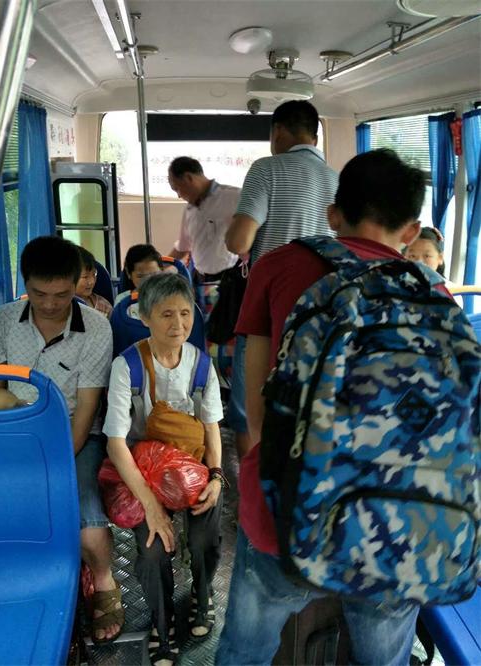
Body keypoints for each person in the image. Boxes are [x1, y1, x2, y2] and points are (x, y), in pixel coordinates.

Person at [216, 149, 452, 666]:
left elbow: (254, 406)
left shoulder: (278, 266)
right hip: (394, 519)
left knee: (245, 652)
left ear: (332, 214)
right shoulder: (432, 289)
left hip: (289, 506)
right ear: (412, 230)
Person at [0, 235, 122, 644]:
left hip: (72, 435)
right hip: (14, 431)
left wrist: (56, 462)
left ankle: (104, 580)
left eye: (61, 295)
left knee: (84, 516)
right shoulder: (2, 320)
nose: (49, 304)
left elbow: (87, 407)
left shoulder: (96, 327)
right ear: (25, 284)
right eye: (39, 294)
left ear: (77, 284)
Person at [103, 272, 224, 666]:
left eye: (185, 314)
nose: (178, 324)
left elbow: (212, 430)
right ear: (145, 317)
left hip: (194, 464)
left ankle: (202, 595)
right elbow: (116, 443)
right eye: (166, 314)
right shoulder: (128, 367)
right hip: (144, 470)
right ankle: (161, 620)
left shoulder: (201, 366)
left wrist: (217, 476)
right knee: (152, 550)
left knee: (204, 535)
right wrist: (151, 506)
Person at [225, 100, 338, 458]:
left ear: (278, 131)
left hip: (269, 312)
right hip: (324, 313)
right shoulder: (337, 180)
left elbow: (238, 242)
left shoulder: (267, 169)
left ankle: (253, 488)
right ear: (315, 136)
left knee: (250, 412)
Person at [168, 156, 240, 287]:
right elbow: (183, 247)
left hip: (230, 279)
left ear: (188, 178)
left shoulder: (234, 198)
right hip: (199, 278)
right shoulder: (189, 211)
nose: (178, 195)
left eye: (177, 188)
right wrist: (160, 265)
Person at [76, 246, 113, 318]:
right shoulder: (62, 306)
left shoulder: (104, 306)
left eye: (94, 274)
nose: (92, 281)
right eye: (85, 277)